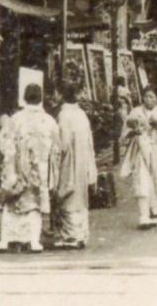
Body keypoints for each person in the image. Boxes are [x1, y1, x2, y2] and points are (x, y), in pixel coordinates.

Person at [0, 83, 61, 252]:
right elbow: (56, 148)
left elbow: (3, 143)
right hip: (39, 170)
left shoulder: (15, 119)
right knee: (35, 204)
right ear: (41, 98)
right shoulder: (48, 121)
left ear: (24, 98)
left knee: (13, 202)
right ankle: (33, 240)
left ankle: (6, 239)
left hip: (16, 169)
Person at [119, 89, 157, 229]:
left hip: (156, 150)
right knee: (141, 181)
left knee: (156, 181)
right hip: (140, 150)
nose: (148, 100)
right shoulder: (135, 112)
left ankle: (154, 212)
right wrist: (133, 130)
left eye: (152, 97)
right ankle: (143, 215)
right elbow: (125, 133)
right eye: (146, 96)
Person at [55, 81, 98, 249]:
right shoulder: (81, 114)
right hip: (84, 159)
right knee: (81, 196)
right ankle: (81, 234)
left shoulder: (64, 115)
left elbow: (63, 143)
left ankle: (70, 236)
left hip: (70, 161)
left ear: (61, 95)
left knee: (68, 196)